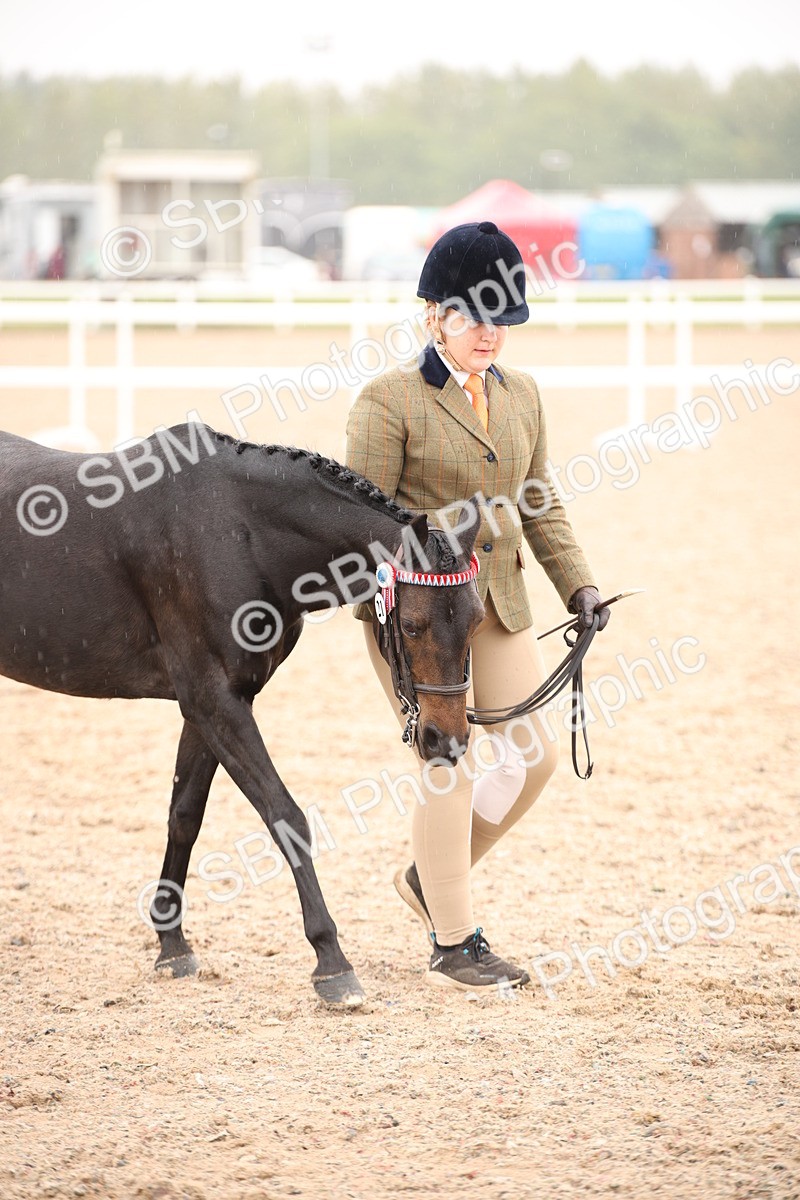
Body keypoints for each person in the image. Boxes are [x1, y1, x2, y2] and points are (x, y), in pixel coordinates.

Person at [345, 220, 609, 992]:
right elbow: (359, 522)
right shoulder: (389, 401)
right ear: (436, 316)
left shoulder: (521, 395)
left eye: (502, 318)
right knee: (446, 760)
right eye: (474, 316)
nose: (491, 332)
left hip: (497, 602)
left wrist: (579, 584)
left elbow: (541, 500)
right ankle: (453, 943)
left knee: (533, 759)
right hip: (422, 619)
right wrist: (396, 615)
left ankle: (432, 880)